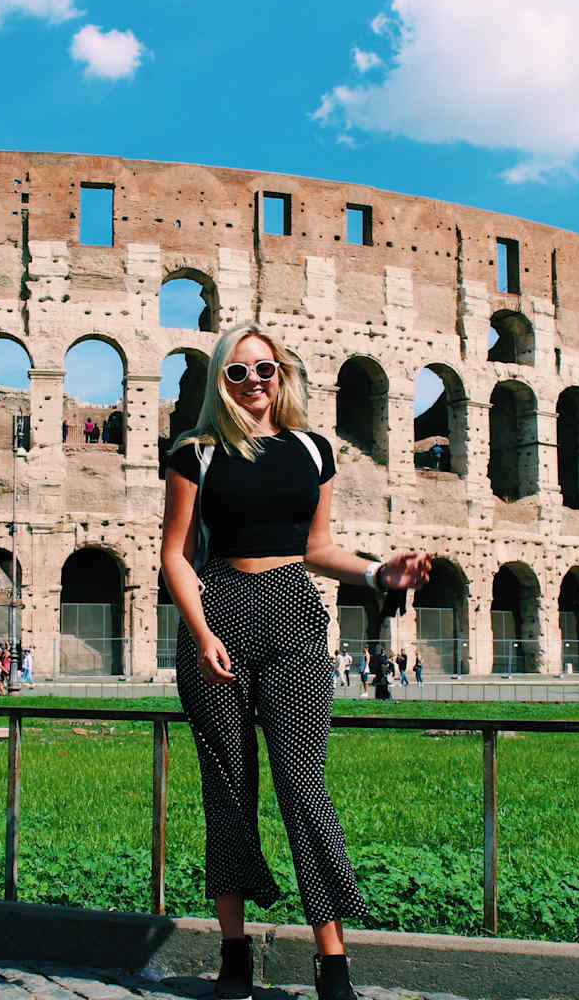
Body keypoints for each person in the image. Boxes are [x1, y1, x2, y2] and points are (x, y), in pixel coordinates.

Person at [160, 322, 430, 1000]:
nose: (255, 382)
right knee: (228, 789)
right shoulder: (197, 453)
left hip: (294, 609)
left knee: (303, 784)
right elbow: (175, 554)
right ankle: (233, 954)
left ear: (283, 375)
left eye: (266, 370)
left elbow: (319, 549)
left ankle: (332, 960)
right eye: (239, 372)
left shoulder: (314, 450)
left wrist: (377, 573)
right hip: (218, 606)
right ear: (220, 381)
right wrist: (199, 632)